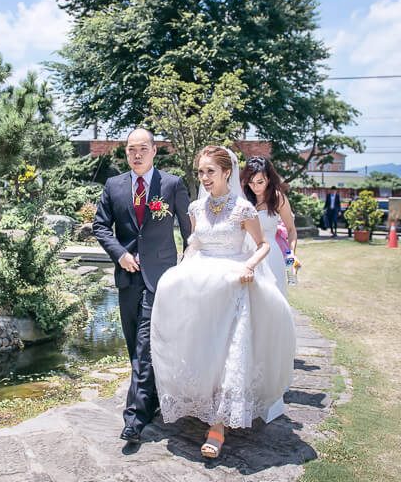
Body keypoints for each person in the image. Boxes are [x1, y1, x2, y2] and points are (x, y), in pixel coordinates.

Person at [151, 146, 296, 459]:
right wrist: (182, 268)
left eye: (210, 171)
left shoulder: (243, 210)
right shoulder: (194, 208)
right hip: (202, 285)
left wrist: (248, 267)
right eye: (201, 172)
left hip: (232, 284)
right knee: (203, 348)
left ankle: (218, 424)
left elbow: (262, 246)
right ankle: (202, 401)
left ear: (226, 172)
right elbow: (195, 244)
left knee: (229, 350)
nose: (204, 177)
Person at [93, 128, 192, 445]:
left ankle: (133, 420)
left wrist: (191, 269)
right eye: (130, 149)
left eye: (142, 148)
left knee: (145, 345)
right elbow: (100, 225)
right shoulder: (114, 185)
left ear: (154, 151)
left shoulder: (172, 185)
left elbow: (190, 234)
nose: (136, 154)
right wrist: (119, 254)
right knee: (135, 343)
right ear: (125, 153)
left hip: (161, 277)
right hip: (127, 277)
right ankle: (154, 401)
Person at [241, 156, 298, 290]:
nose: (255, 187)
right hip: (246, 255)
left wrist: (291, 257)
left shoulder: (278, 198)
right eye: (251, 182)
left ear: (269, 178)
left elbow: (291, 230)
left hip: (271, 256)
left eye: (260, 182)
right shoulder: (243, 197)